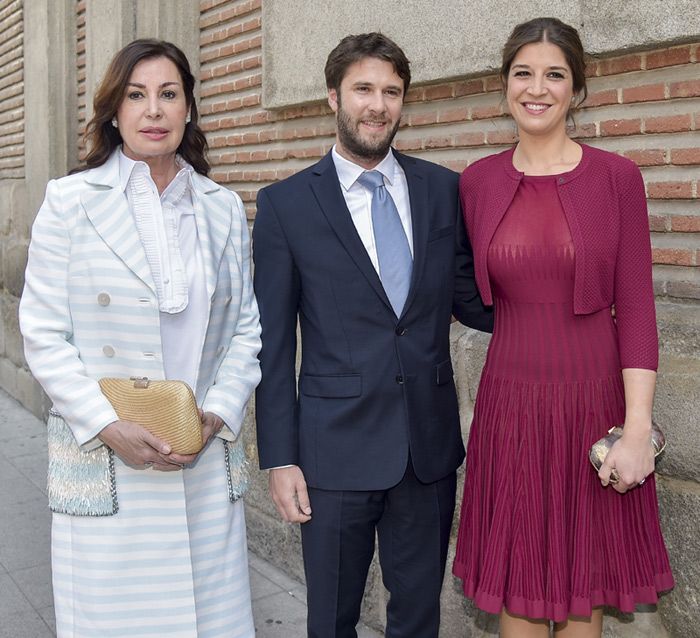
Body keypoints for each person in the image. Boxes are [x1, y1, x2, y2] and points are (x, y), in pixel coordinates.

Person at [253, 32, 492, 637]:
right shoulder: (285, 206)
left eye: (391, 91)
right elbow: (275, 348)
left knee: (417, 618)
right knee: (331, 620)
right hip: (331, 457)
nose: (377, 105)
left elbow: (472, 300)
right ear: (333, 96)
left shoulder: (443, 190)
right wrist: (280, 459)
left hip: (426, 451)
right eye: (363, 88)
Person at [19, 39, 261, 638]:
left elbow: (247, 329)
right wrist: (106, 425)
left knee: (208, 622)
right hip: (109, 459)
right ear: (114, 110)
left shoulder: (223, 208)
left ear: (187, 109)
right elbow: (44, 332)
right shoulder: (70, 203)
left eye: (168, 94)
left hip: (200, 457)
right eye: (137, 95)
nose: (153, 110)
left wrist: (218, 413)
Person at [452, 17, 674, 637]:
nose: (537, 88)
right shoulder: (477, 182)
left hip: (592, 403)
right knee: (518, 592)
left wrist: (635, 431)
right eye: (523, 73)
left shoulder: (616, 179)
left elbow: (636, 307)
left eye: (555, 74)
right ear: (504, 87)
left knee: (585, 593)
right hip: (510, 406)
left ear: (577, 90)